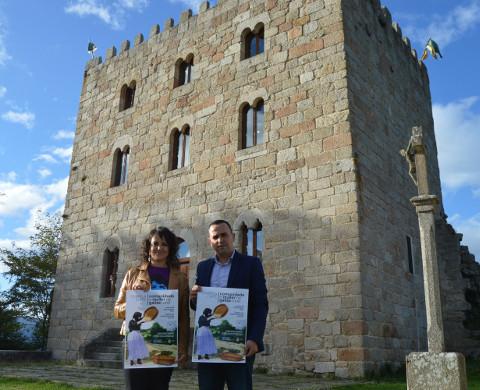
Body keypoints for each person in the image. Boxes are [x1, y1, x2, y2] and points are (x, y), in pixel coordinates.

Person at [190, 220, 268, 390]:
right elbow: (198, 306)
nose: (220, 240)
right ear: (210, 241)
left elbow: (260, 305)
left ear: (232, 236)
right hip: (208, 346)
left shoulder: (251, 264)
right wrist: (194, 297)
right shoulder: (203, 267)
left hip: (240, 344)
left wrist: (254, 338)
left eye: (224, 235)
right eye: (215, 237)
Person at [114, 227, 190, 390]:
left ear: (170, 249)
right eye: (155, 243)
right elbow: (117, 310)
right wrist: (133, 300)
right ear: (148, 247)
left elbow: (183, 316)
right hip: (135, 340)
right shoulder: (133, 274)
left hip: (165, 341)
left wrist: (183, 346)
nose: (159, 248)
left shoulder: (181, 279)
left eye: (164, 244)